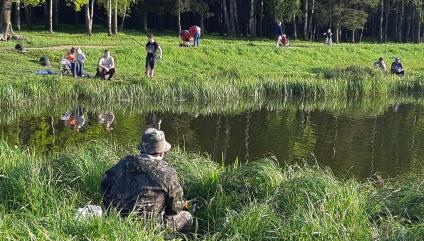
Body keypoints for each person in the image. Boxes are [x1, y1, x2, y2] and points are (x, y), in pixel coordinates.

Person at [100, 128, 193, 232]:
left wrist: (110, 208)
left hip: (118, 221)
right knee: (187, 217)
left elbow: (104, 183)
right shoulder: (168, 173)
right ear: (162, 152)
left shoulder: (124, 162)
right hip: (151, 226)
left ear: (141, 149)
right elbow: (174, 209)